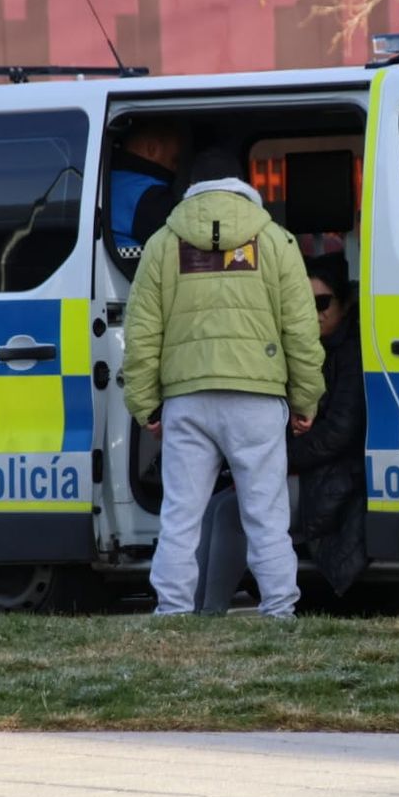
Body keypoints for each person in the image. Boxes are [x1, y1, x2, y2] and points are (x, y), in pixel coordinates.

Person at [122, 148, 325, 618]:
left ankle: (171, 612)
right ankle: (279, 612)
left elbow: (141, 334)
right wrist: (305, 399)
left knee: (180, 515)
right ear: (244, 185)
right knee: (265, 514)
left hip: (187, 399)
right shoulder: (276, 241)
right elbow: (301, 330)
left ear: (190, 188)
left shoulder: (161, 244)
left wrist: (146, 405)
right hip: (256, 396)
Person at [194, 253, 365, 614]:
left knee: (234, 512)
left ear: (345, 304)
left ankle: (207, 615)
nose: (315, 313)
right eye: (306, 303)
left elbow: (340, 433)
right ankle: (198, 614)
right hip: (306, 469)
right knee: (214, 508)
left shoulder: (350, 353)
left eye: (324, 303)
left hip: (337, 477)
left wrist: (273, 464)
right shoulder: (305, 348)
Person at [108, 114, 181, 259]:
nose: (176, 169)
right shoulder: (152, 196)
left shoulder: (110, 178)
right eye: (174, 160)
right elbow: (178, 251)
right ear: (152, 149)